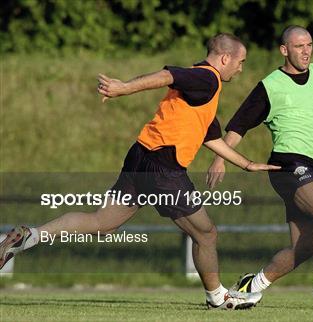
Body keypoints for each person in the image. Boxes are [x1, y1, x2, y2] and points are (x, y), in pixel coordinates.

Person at [0, 33, 279, 310]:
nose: (241, 69)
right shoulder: (208, 78)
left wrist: (246, 164)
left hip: (140, 156)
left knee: (102, 222)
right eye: (240, 62)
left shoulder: (201, 88)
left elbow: (210, 137)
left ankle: (31, 236)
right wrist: (123, 88)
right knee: (206, 234)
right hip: (163, 167)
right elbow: (168, 74)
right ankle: (218, 297)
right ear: (225, 58)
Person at [206, 26, 313, 309]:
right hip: (287, 166)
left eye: (310, 45)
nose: (306, 51)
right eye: (299, 46)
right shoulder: (270, 85)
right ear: (284, 50)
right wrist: (220, 158)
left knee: (304, 247)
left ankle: (253, 285)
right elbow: (239, 126)